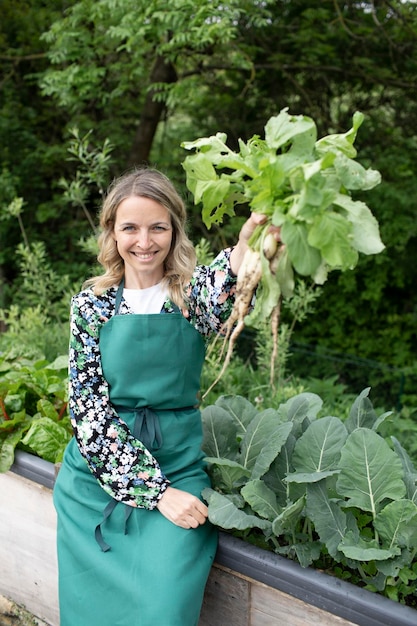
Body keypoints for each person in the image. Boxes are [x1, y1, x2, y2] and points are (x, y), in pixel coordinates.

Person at [53, 167, 279, 626]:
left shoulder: (190, 296)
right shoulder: (91, 305)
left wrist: (252, 240)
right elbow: (89, 413)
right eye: (130, 227)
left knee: (164, 610)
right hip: (96, 482)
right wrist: (154, 493)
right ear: (112, 233)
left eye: (158, 227)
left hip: (177, 467)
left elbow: (232, 275)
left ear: (174, 230)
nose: (144, 241)